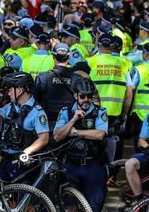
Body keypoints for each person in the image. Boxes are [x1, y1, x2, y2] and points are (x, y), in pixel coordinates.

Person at [53, 76, 108, 212]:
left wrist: (75, 131)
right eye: (82, 96)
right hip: (71, 166)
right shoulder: (66, 112)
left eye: (89, 96)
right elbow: (57, 136)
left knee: (94, 206)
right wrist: (73, 120)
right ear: (75, 95)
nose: (86, 100)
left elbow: (100, 134)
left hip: (92, 165)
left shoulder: (100, 111)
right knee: (70, 206)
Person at [0, 71, 50, 181]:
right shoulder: (9, 108)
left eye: (10, 89)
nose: (8, 93)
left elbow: (44, 139)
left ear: (20, 90)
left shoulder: (37, 111)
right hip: (6, 161)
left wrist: (27, 152)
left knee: (21, 197)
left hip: (23, 164)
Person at [33, 43, 76, 128]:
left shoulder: (43, 78)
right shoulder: (77, 79)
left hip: (46, 125)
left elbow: (34, 101)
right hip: (69, 126)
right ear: (69, 57)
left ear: (53, 56)